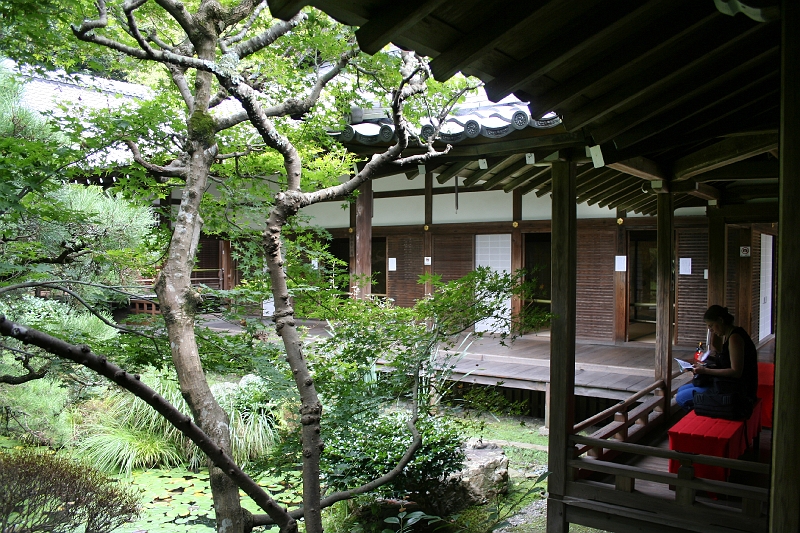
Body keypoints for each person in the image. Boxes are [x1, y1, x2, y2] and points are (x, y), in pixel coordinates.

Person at [675, 305, 758, 410]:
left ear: (720, 320)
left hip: (738, 390)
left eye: (712, 325)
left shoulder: (735, 338)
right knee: (681, 390)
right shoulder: (729, 335)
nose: (711, 330)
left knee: (681, 398)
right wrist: (698, 363)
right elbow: (724, 361)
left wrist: (705, 371)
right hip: (726, 383)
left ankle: (706, 416)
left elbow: (736, 372)